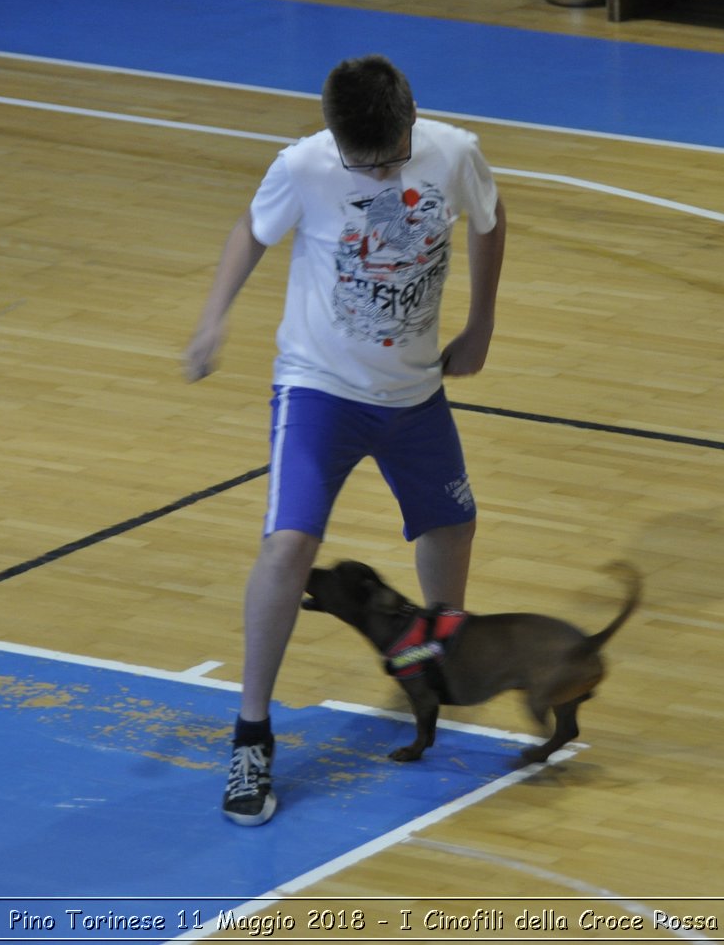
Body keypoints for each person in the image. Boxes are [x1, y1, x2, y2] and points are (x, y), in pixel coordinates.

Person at [184, 55, 506, 826]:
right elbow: (250, 230)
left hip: (415, 390)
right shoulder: (303, 165)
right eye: (362, 163)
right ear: (335, 139)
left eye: (390, 157)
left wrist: (481, 322)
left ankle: (438, 653)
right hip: (319, 388)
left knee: (452, 523)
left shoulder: (454, 153)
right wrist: (213, 316)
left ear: (411, 119)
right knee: (289, 545)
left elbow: (492, 220)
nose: (377, 171)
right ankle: (252, 733)